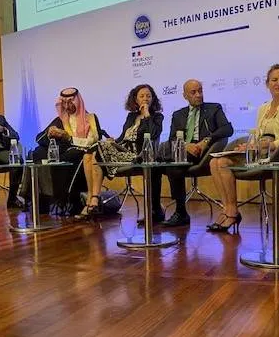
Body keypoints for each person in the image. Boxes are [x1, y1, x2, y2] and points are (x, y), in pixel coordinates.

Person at [208, 63, 279, 232]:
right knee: (216, 162)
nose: (278, 83)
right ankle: (229, 209)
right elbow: (258, 135)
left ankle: (231, 214)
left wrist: (268, 144)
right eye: (274, 80)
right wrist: (249, 145)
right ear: (267, 83)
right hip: (259, 152)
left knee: (222, 164)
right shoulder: (263, 107)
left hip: (278, 154)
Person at [82, 84, 164, 220]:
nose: (145, 99)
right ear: (135, 99)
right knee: (91, 152)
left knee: (98, 151)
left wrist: (146, 115)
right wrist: (113, 142)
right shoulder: (131, 117)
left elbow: (152, 134)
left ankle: (94, 199)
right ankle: (93, 198)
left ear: (153, 99)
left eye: (148, 96)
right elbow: (123, 138)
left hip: (140, 155)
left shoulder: (157, 117)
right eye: (142, 96)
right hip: (123, 152)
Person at [162, 79, 233, 227]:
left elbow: (227, 129)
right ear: (185, 96)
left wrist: (206, 140)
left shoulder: (214, 109)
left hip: (202, 153)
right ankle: (155, 210)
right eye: (193, 92)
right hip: (183, 151)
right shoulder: (178, 115)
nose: (198, 95)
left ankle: (180, 212)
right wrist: (185, 146)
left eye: (200, 91)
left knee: (170, 162)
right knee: (159, 165)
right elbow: (172, 139)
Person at [33, 87, 102, 215]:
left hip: (84, 155)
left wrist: (68, 138)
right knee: (38, 152)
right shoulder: (60, 120)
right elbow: (39, 138)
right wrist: (50, 133)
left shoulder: (90, 118)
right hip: (62, 153)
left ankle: (67, 201)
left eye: (70, 102)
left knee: (71, 155)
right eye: (64, 103)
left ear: (78, 101)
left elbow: (92, 142)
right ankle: (41, 201)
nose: (67, 106)